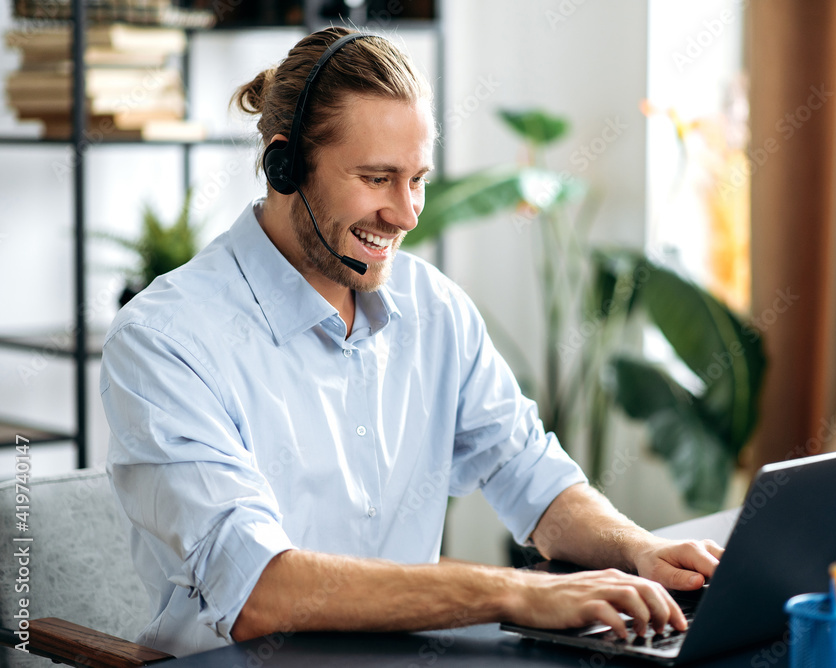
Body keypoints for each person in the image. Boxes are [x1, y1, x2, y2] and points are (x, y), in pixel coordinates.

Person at [101, 27, 723, 658]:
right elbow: (261, 589)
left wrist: (637, 547)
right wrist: (512, 592)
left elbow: (529, 473)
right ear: (284, 166)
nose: (407, 214)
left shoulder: (434, 308)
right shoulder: (164, 341)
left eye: (417, 179)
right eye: (377, 178)